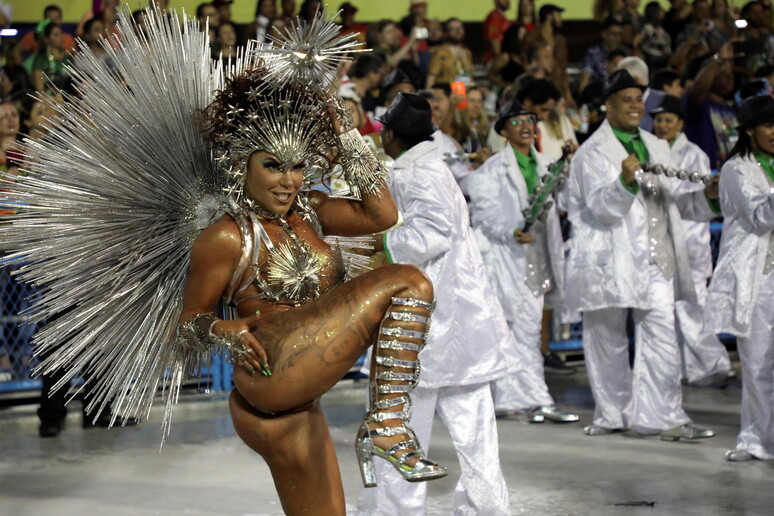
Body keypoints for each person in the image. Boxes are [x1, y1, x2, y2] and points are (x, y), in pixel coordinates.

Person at [1, 9, 448, 516]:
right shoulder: (226, 237)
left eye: (299, 167)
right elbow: (186, 324)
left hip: (302, 388)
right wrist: (223, 333)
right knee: (409, 282)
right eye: (273, 166)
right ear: (242, 165)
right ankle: (387, 423)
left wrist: (343, 129)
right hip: (272, 371)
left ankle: (384, 426)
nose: (288, 181)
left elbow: (381, 213)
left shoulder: (314, 212)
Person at [356, 91, 512, 516]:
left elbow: (431, 234)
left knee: (400, 425)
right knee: (475, 431)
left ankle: (394, 511)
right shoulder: (431, 167)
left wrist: (381, 244)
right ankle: (487, 508)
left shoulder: (414, 174)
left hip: (425, 323)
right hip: (462, 321)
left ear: (390, 135)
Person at [566, 69, 718, 441]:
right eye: (627, 99)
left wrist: (709, 198)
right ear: (608, 105)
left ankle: (662, 416)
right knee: (607, 339)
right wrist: (623, 182)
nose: (635, 106)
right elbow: (601, 208)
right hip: (608, 257)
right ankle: (613, 414)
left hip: (655, 256)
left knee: (662, 333)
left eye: (639, 100)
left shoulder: (656, 144)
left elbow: (674, 201)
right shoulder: (591, 152)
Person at [468, 99, 579, 425]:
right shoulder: (491, 171)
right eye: (517, 122)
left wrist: (569, 170)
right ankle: (536, 400)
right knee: (517, 328)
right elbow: (486, 214)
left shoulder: (549, 164)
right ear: (503, 131)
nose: (527, 126)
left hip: (539, 257)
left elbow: (568, 202)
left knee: (525, 328)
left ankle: (513, 399)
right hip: (507, 258)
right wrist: (510, 231)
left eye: (530, 120)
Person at [706, 95, 774, 462]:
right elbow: (762, 217)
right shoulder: (737, 170)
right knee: (759, 362)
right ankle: (757, 439)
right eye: (768, 125)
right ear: (749, 130)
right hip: (758, 280)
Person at [651, 95, 734, 387]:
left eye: (668, 120)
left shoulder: (694, 153)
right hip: (665, 238)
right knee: (674, 308)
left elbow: (695, 198)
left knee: (691, 307)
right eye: (658, 120)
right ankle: (690, 370)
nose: (662, 125)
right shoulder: (653, 150)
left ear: (681, 123)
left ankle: (715, 362)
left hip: (691, 238)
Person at [683, 41, 738, 170]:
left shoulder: (731, 109)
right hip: (705, 176)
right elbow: (698, 90)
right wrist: (718, 61)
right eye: (724, 75)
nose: (730, 79)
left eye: (731, 75)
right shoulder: (698, 104)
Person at [426, 18, 473, 88]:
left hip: (465, 92)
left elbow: (470, 75)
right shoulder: (440, 52)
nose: (458, 31)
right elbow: (431, 77)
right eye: (453, 29)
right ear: (446, 33)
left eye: (460, 28)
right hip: (446, 93)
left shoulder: (467, 52)